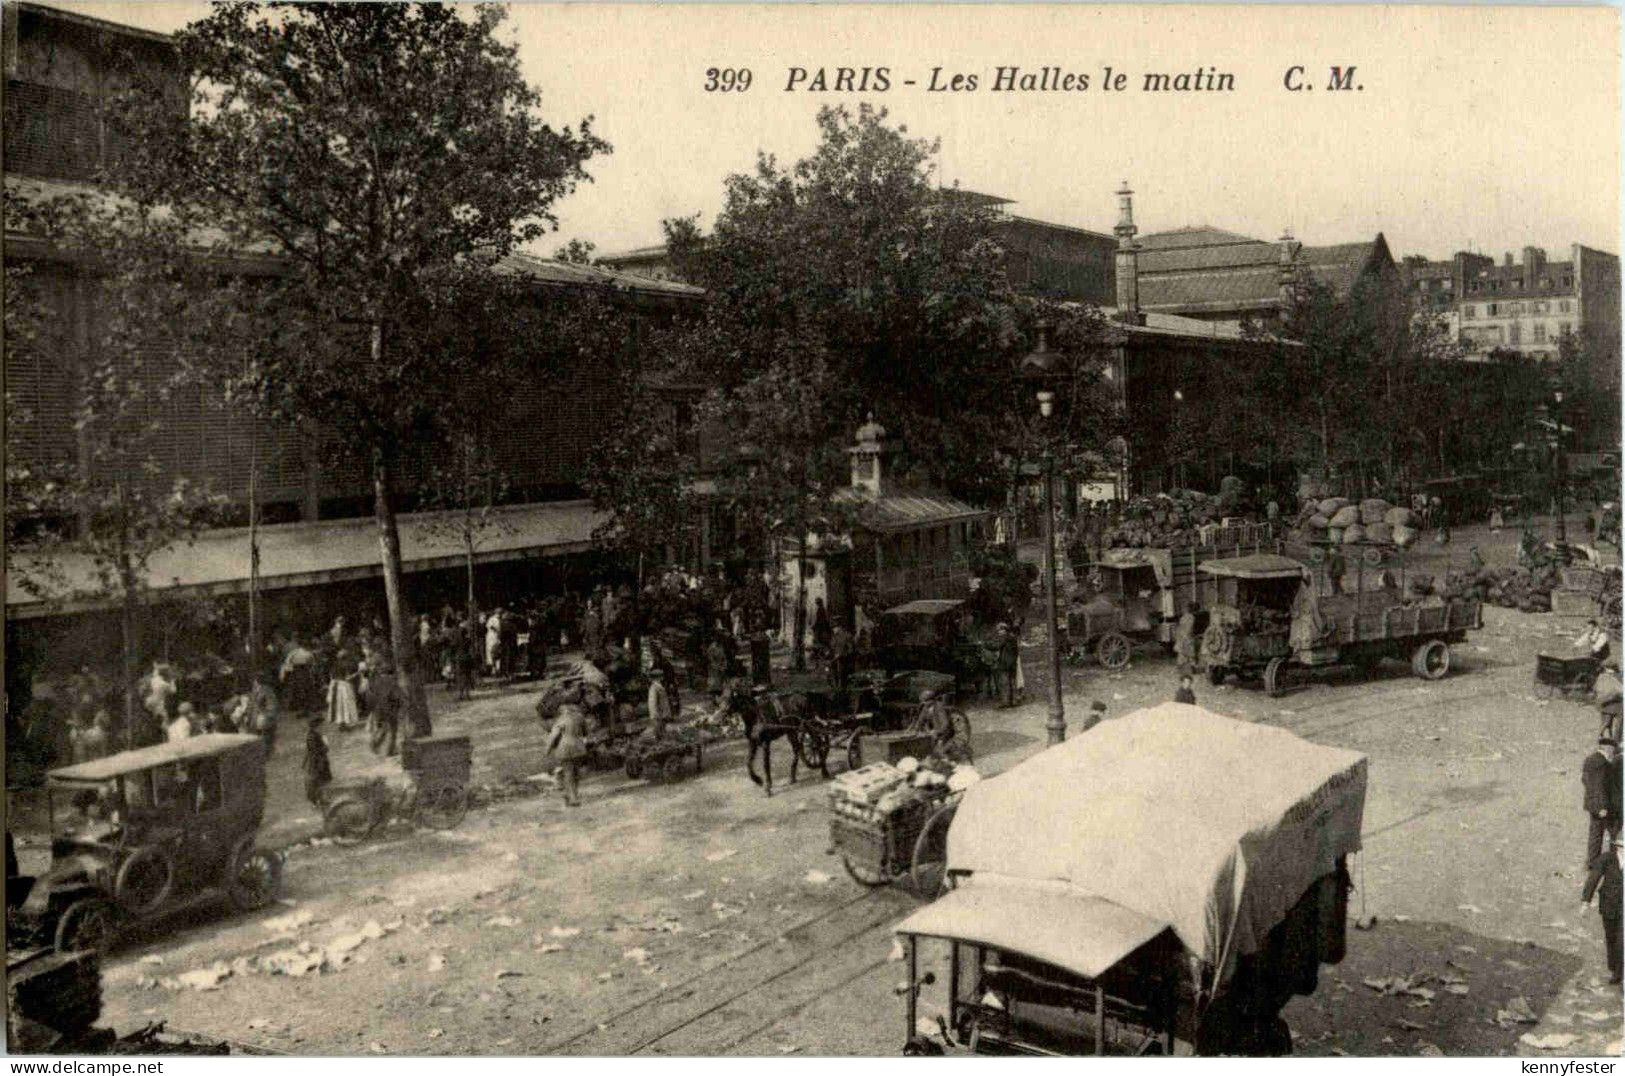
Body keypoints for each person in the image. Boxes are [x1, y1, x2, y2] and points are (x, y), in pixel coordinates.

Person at [1581, 836, 1623, 984]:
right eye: (1622, 846)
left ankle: (1620, 973)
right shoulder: (1606, 859)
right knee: (1611, 938)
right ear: (1617, 847)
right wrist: (1586, 901)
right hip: (1609, 906)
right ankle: (1614, 968)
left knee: (1621, 940)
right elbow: (1593, 878)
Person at [1583, 736, 1622, 866]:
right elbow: (1600, 785)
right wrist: (1603, 806)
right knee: (1613, 832)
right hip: (1603, 806)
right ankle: (1613, 861)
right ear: (1608, 748)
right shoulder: (1602, 763)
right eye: (1612, 749)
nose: (1613, 752)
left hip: (1592, 804)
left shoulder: (1590, 760)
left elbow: (1585, 780)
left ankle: (1592, 861)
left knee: (1595, 834)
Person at [545, 689, 587, 807]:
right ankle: (573, 795)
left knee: (568, 773)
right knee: (576, 773)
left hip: (565, 749)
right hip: (579, 748)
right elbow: (585, 733)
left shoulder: (561, 720)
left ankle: (572, 798)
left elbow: (553, 736)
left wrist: (547, 750)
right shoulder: (580, 717)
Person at [369, 658, 402, 757]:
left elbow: (370, 695)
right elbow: (396, 695)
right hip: (390, 708)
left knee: (382, 727)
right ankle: (390, 750)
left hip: (378, 708)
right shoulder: (392, 681)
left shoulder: (375, 681)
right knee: (393, 729)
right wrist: (400, 704)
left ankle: (375, 743)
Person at [327, 650, 361, 731]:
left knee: (338, 705)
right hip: (344, 686)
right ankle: (345, 723)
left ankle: (341, 724)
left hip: (335, 685)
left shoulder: (334, 664)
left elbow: (331, 676)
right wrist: (358, 673)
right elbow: (347, 678)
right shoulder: (346, 665)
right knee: (346, 704)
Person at [303, 717, 332, 808]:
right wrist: (326, 745)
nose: (323, 726)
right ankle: (317, 801)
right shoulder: (312, 736)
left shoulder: (314, 734)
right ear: (317, 726)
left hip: (317, 761)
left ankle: (320, 800)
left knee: (320, 780)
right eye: (321, 725)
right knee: (316, 781)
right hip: (316, 763)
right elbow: (316, 750)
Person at [996, 623, 1019, 709]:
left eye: (1000, 630)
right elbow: (1016, 652)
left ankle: (1006, 702)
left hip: (1005, 664)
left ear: (1004, 630)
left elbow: (997, 647)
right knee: (1012, 682)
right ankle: (1013, 701)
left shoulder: (1005, 639)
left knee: (1005, 683)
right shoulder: (1012, 638)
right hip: (1012, 663)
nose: (998, 632)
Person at [1174, 602, 1198, 675]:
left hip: (1187, 637)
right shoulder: (1183, 617)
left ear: (1189, 609)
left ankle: (1191, 668)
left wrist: (1184, 634)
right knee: (1182, 653)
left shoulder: (1191, 617)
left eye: (1185, 608)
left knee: (1189, 653)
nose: (1183, 609)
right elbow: (1180, 627)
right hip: (1182, 637)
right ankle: (1182, 668)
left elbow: (1189, 628)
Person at [829, 623, 854, 694]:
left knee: (842, 673)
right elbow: (832, 646)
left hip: (843, 658)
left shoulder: (847, 635)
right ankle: (836, 687)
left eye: (835, 628)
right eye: (833, 628)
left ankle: (842, 688)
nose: (833, 630)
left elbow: (850, 648)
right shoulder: (834, 636)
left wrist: (843, 654)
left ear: (839, 627)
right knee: (834, 672)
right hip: (835, 658)